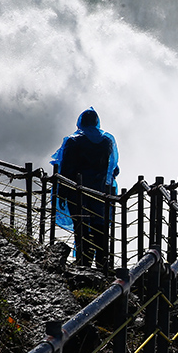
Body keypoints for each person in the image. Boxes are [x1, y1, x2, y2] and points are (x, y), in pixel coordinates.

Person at [50, 108, 119, 271]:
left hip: (77, 190)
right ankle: (102, 262)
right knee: (100, 225)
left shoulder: (73, 141)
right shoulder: (107, 142)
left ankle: (84, 260)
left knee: (81, 223)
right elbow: (113, 169)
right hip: (100, 191)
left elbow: (66, 169)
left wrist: (62, 194)